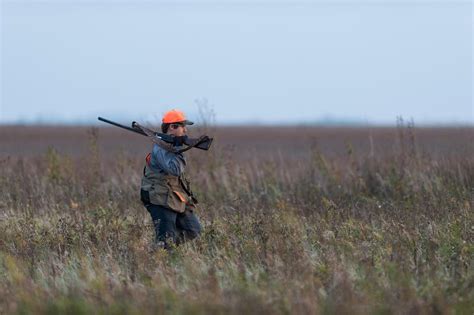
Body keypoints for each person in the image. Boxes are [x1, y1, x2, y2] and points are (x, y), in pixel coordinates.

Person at [140, 109, 202, 250]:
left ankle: (160, 250)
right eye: (182, 126)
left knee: (193, 230)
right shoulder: (161, 147)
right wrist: (179, 146)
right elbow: (175, 169)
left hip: (173, 196)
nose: (185, 130)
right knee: (166, 240)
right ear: (172, 127)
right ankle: (160, 254)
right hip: (159, 198)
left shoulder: (170, 146)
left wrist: (177, 144)